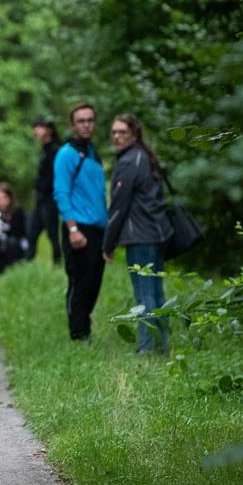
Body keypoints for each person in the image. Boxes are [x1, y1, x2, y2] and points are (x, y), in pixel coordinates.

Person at [103, 113, 173, 355]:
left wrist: (107, 244)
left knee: (145, 294)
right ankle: (162, 347)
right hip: (156, 234)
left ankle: (145, 348)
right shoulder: (144, 157)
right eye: (114, 132)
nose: (117, 136)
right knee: (156, 292)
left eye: (122, 132)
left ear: (134, 134)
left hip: (141, 238)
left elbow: (118, 207)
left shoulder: (129, 161)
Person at [53, 103, 108, 341]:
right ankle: (79, 334)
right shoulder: (66, 154)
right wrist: (72, 229)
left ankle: (83, 328)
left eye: (89, 120)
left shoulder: (93, 152)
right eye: (80, 121)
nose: (86, 124)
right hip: (78, 229)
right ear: (72, 125)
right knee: (80, 283)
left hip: (98, 229)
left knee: (94, 283)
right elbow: (61, 192)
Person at [25, 118, 62, 264]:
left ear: (49, 130)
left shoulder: (54, 150)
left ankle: (57, 262)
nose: (36, 130)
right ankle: (27, 262)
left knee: (52, 233)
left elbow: (54, 176)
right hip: (41, 199)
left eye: (40, 127)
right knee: (32, 231)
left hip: (50, 199)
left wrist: (42, 187)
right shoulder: (45, 150)